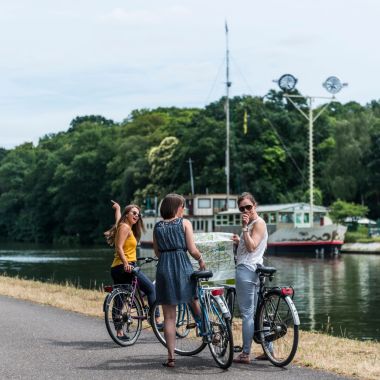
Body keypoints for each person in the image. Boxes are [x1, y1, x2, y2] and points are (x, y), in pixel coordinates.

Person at [153, 193, 206, 368]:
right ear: (177, 207)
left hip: (164, 269)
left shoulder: (157, 227)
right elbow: (192, 249)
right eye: (183, 206)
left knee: (169, 317)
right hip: (182, 265)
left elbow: (157, 253)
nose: (184, 209)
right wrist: (200, 259)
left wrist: (168, 255)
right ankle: (205, 329)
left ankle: (171, 358)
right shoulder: (185, 223)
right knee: (193, 298)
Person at [105, 201, 158, 340]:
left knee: (120, 301)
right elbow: (119, 247)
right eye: (134, 213)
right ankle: (156, 320)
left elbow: (118, 220)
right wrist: (126, 263)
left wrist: (117, 209)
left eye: (138, 214)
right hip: (126, 267)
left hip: (116, 268)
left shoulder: (122, 225)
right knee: (151, 289)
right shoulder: (125, 227)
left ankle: (120, 333)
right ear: (127, 214)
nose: (137, 215)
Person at [231, 192, 269, 364]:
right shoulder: (254, 223)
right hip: (255, 269)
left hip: (246, 270)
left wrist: (245, 228)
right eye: (242, 208)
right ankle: (269, 351)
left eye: (248, 206)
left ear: (255, 206)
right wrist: (240, 241)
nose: (245, 210)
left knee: (247, 314)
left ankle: (245, 354)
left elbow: (253, 247)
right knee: (256, 312)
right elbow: (249, 245)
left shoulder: (257, 223)